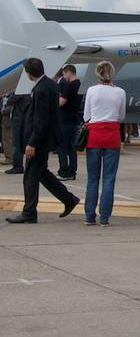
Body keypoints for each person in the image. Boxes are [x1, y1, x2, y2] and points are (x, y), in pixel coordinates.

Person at [6, 58, 79, 224]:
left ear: (29, 73)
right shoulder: (49, 84)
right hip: (46, 138)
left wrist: (32, 142)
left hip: (40, 140)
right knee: (42, 174)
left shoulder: (41, 89)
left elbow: (41, 120)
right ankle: (69, 199)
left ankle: (29, 212)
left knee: (30, 176)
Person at [82, 61, 126, 226]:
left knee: (92, 178)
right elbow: (121, 117)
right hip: (112, 134)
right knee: (109, 178)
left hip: (94, 134)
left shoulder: (92, 90)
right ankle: (105, 217)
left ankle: (89, 215)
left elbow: (87, 115)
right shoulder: (120, 92)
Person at [57, 63, 82, 180]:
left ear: (69, 72)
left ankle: (63, 171)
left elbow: (61, 103)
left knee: (62, 146)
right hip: (74, 119)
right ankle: (72, 171)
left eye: (64, 74)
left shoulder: (70, 86)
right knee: (72, 147)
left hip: (65, 120)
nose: (64, 77)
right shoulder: (79, 85)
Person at [3, 93, 29, 174]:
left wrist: (11, 96)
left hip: (19, 119)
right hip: (23, 118)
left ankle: (18, 166)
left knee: (16, 144)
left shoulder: (21, 91)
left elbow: (11, 100)